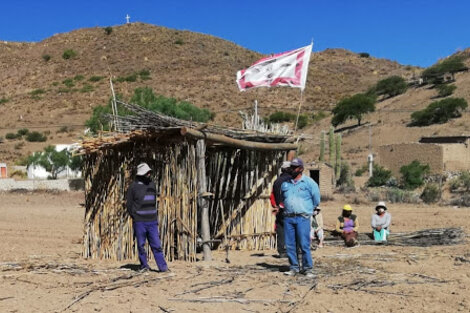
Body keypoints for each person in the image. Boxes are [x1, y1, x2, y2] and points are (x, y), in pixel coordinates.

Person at [281, 158, 320, 277]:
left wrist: (307, 210)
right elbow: (283, 198)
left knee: (304, 244)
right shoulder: (285, 184)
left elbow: (316, 200)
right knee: (290, 244)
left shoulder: (309, 183)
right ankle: (294, 267)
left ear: (301, 169)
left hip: (302, 217)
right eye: (291, 167)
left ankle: (307, 268)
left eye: (295, 167)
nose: (292, 169)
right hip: (288, 217)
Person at [126, 163, 168, 272]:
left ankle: (163, 268)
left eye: (149, 172)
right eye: (146, 172)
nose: (149, 174)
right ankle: (144, 266)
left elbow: (154, 201)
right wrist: (135, 216)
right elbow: (129, 205)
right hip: (139, 221)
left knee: (157, 245)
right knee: (140, 245)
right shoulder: (133, 187)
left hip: (152, 221)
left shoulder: (152, 185)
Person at [270, 161, 292, 258]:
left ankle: (282, 251)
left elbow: (272, 195)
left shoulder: (277, 181)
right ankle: (294, 250)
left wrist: (275, 205)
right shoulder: (291, 180)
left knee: (280, 228)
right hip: (290, 209)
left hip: (280, 209)